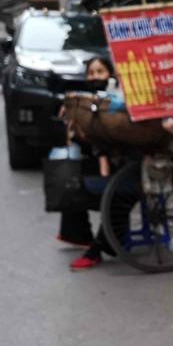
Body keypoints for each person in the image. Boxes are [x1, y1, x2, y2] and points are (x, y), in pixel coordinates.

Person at [59, 56, 126, 271]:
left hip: (124, 166)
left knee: (116, 194)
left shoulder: (118, 100)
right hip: (103, 163)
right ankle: (80, 236)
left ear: (111, 75)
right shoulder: (89, 104)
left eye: (100, 72)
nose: (95, 77)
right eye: (91, 73)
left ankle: (98, 248)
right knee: (69, 184)